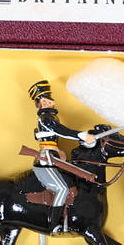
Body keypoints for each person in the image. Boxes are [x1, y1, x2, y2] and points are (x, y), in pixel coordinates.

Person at [29, 80, 96, 231]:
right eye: (45, 100)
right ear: (40, 104)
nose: (50, 102)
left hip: (54, 156)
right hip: (46, 160)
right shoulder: (46, 118)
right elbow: (61, 131)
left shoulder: (50, 117)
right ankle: (52, 224)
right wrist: (81, 135)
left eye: (49, 99)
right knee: (61, 189)